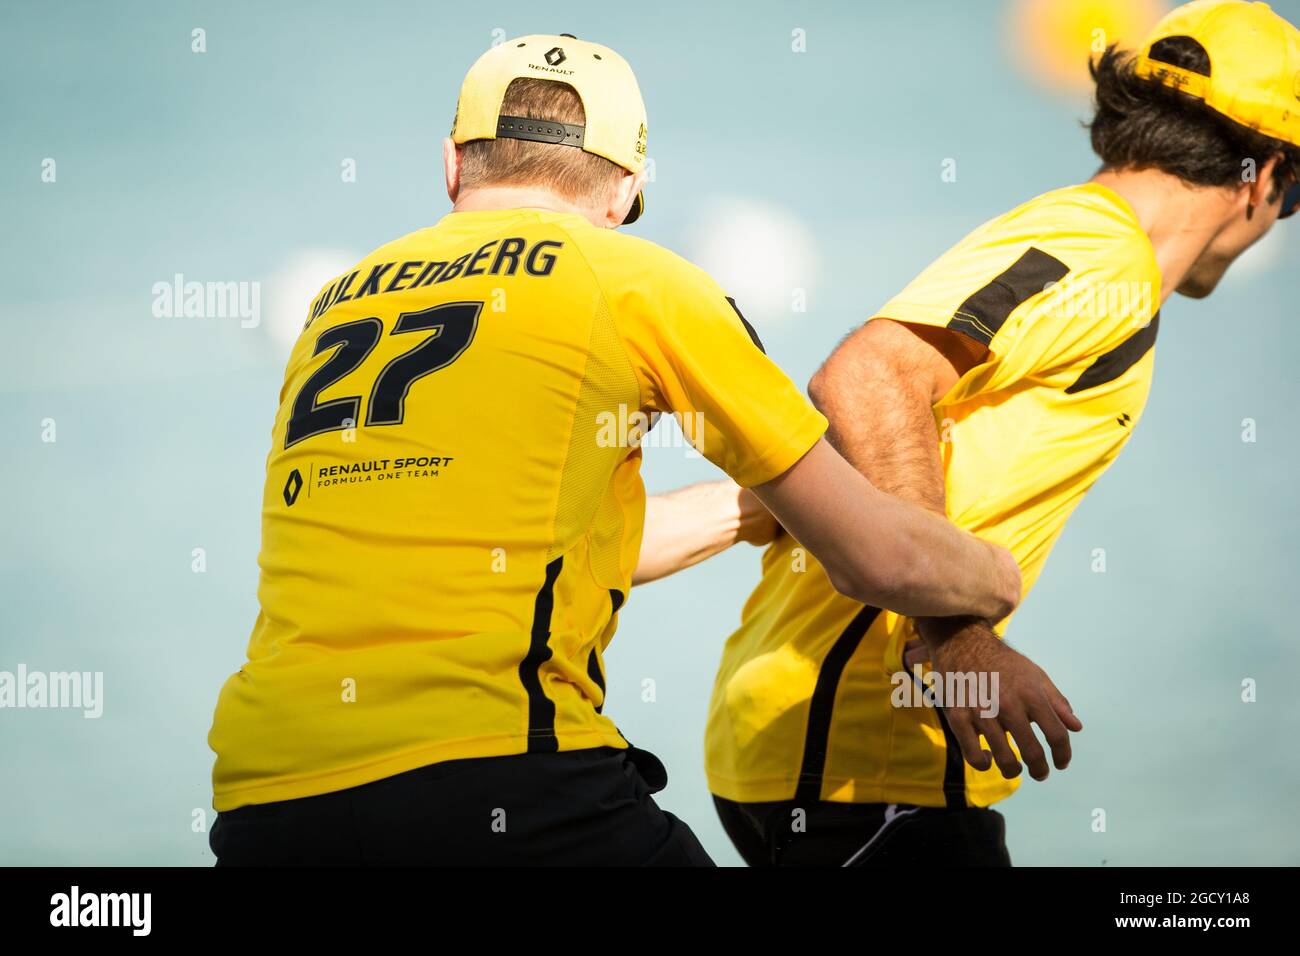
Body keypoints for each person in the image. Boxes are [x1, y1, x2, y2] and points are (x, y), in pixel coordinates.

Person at [205, 33, 1022, 866]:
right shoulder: (633, 280)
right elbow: (876, 560)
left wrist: (749, 511)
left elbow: (511, 550)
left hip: (268, 799)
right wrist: (997, 578)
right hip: (504, 776)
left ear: (453, 166)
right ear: (626, 189)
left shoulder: (336, 304)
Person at [657, 0, 1298, 866]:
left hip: (817, 745)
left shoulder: (1091, 249)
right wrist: (958, 635)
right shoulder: (1101, 253)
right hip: (867, 757)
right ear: (1262, 178)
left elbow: (874, 415)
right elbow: (868, 375)